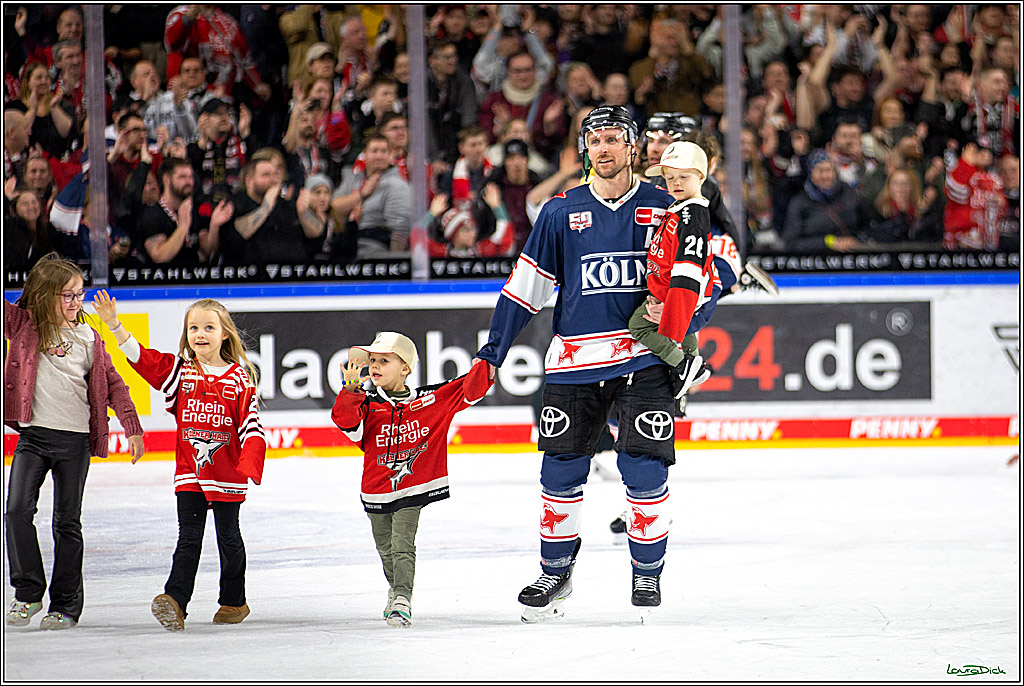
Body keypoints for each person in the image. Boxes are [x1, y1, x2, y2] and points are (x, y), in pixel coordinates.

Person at [476, 105, 677, 620]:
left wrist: (688, 331)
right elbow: (524, 291)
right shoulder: (560, 213)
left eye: (614, 139)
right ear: (584, 149)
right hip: (574, 363)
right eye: (595, 140)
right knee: (559, 472)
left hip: (643, 358)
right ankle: (555, 573)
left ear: (634, 147)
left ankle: (647, 572)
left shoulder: (666, 204)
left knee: (642, 467)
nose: (604, 148)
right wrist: (491, 354)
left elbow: (698, 275)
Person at [92, 291, 266, 631]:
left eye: (209, 328)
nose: (200, 335)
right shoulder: (180, 372)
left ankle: (234, 601)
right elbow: (143, 359)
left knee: (229, 536)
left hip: (227, 475)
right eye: (193, 328)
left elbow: (252, 425)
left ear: (225, 333)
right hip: (190, 472)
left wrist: (250, 463)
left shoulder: (240, 379)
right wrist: (114, 324)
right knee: (189, 537)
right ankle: (175, 601)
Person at [4, 254, 145, 630]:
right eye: (66, 296)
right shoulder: (23, 326)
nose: (75, 303)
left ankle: (65, 605)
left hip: (75, 443)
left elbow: (115, 384)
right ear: (43, 295)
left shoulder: (89, 337)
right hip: (33, 438)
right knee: (17, 511)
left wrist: (132, 426)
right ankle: (28, 592)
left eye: (78, 295)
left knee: (67, 522)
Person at [331, 332, 493, 627]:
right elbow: (346, 423)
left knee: (402, 543)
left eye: (384, 360)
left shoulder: (430, 400)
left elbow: (469, 388)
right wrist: (351, 390)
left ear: (405, 368)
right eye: (373, 361)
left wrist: (489, 359)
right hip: (376, 491)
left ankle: (403, 598)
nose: (375, 366)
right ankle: (395, 589)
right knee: (386, 549)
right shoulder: (366, 404)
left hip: (413, 486)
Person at [629, 141, 719, 404]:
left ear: (701, 176)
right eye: (669, 178)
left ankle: (684, 364)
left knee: (638, 325)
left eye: (683, 176)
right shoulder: (680, 208)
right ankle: (692, 361)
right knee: (685, 329)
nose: (675, 183)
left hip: (674, 295)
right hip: (666, 292)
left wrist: (672, 307)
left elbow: (688, 269)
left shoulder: (692, 213)